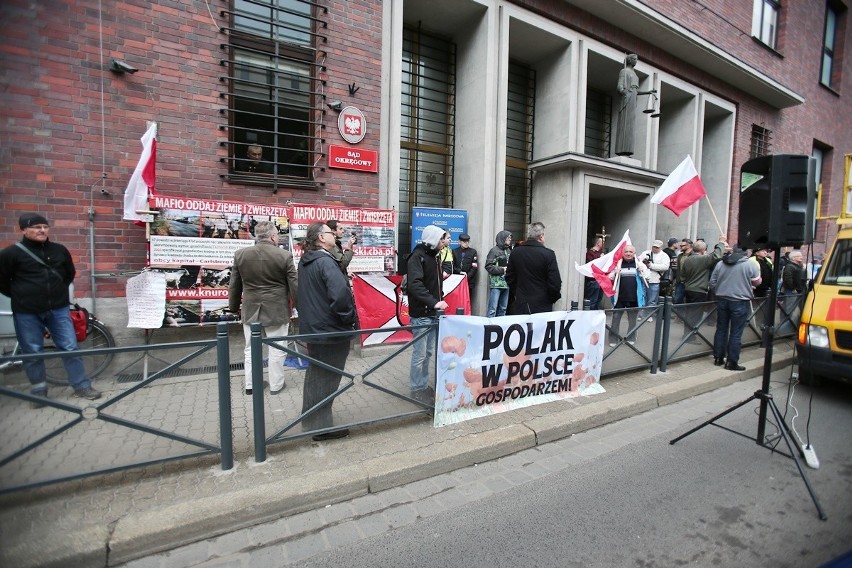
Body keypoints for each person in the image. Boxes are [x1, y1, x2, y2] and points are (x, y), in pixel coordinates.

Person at [0, 213, 102, 404]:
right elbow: (3, 282)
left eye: (45, 227)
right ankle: (39, 392)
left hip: (58, 309)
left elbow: (68, 274)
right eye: (36, 227)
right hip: (27, 312)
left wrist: (58, 294)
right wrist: (22, 295)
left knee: (70, 347)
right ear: (23, 229)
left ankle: (81, 386)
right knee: (32, 351)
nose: (42, 230)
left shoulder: (59, 250)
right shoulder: (10, 254)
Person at [297, 222, 357, 440]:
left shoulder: (307, 261)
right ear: (321, 238)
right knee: (328, 379)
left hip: (315, 328)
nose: (335, 235)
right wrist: (348, 320)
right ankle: (322, 427)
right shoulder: (325, 261)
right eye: (332, 233)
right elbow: (341, 297)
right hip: (331, 331)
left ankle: (312, 421)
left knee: (316, 376)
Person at [228, 221, 298, 395]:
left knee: (250, 349)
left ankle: (251, 385)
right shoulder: (284, 255)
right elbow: (294, 286)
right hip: (277, 310)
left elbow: (234, 285)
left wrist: (233, 307)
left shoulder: (240, 255)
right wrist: (300, 308)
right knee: (277, 347)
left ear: (256, 236)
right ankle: (276, 385)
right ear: (273, 236)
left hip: (250, 309)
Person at [407, 225, 449, 403]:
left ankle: (422, 384)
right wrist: (434, 302)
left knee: (429, 352)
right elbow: (415, 285)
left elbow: (431, 283)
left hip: (432, 313)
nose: (444, 242)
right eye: (442, 239)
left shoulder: (434, 257)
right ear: (433, 239)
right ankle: (416, 388)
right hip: (422, 313)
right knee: (420, 354)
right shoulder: (417, 257)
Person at [709, 247, 761, 371]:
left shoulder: (721, 263)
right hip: (740, 301)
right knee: (736, 333)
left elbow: (712, 282)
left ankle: (718, 358)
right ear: (746, 253)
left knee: (721, 329)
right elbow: (757, 282)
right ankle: (731, 362)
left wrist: (720, 290)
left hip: (722, 299)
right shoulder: (750, 264)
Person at [505, 222, 562, 314]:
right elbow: (555, 282)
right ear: (541, 236)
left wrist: (517, 293)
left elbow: (509, 277)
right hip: (542, 304)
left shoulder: (516, 252)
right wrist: (551, 299)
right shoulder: (548, 254)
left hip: (522, 302)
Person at [678, 237, 726, 342]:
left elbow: (682, 276)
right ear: (703, 250)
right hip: (698, 291)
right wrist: (721, 242)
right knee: (695, 315)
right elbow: (717, 255)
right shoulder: (703, 259)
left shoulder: (687, 260)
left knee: (689, 313)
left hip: (689, 289)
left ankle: (688, 334)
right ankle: (689, 337)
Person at [607, 245, 650, 345]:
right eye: (626, 251)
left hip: (634, 298)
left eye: (630, 252)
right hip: (620, 298)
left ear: (634, 253)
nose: (628, 253)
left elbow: (647, 277)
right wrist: (615, 273)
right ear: (623, 253)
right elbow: (610, 277)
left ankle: (631, 338)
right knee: (615, 319)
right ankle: (613, 339)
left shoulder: (639, 264)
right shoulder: (618, 264)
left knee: (632, 321)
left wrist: (641, 272)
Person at [614, 54, 653, 157]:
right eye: (635, 59)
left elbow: (636, 91)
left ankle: (628, 149)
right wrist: (624, 92)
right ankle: (621, 148)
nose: (636, 61)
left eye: (637, 59)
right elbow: (619, 86)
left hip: (633, 100)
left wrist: (648, 92)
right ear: (630, 60)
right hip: (627, 99)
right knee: (624, 122)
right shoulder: (624, 71)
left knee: (630, 125)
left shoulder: (635, 74)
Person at [637, 239, 671, 318]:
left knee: (652, 300)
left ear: (660, 248)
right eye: (654, 247)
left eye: (657, 247)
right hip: (644, 279)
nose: (655, 249)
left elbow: (665, 267)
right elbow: (638, 262)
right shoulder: (645, 253)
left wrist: (651, 265)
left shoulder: (664, 256)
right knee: (642, 298)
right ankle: (641, 314)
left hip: (655, 280)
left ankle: (649, 315)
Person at [484, 230, 512, 317]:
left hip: (506, 284)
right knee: (492, 309)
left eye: (510, 238)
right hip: (496, 284)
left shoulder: (509, 251)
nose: (510, 240)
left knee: (503, 308)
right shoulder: (494, 251)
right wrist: (502, 269)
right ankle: (489, 327)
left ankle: (501, 327)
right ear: (503, 239)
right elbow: (488, 266)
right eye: (508, 238)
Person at [452, 234, 478, 305]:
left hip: (468, 282)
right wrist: (459, 272)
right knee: (457, 302)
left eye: (467, 241)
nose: (466, 243)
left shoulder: (473, 252)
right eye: (464, 241)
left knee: (467, 302)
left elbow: (474, 267)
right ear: (459, 242)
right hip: (457, 281)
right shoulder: (454, 252)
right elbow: (452, 266)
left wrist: (466, 277)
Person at [584, 237, 604, 309]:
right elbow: (591, 265)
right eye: (602, 242)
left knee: (598, 300)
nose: (603, 244)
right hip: (593, 280)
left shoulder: (600, 253)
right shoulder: (590, 253)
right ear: (598, 243)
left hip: (600, 280)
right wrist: (600, 259)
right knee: (592, 301)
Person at [673, 238, 693, 304]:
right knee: (677, 300)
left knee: (689, 302)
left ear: (688, 246)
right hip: (680, 282)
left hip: (690, 282)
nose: (680, 247)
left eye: (682, 246)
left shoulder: (693, 256)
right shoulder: (680, 256)